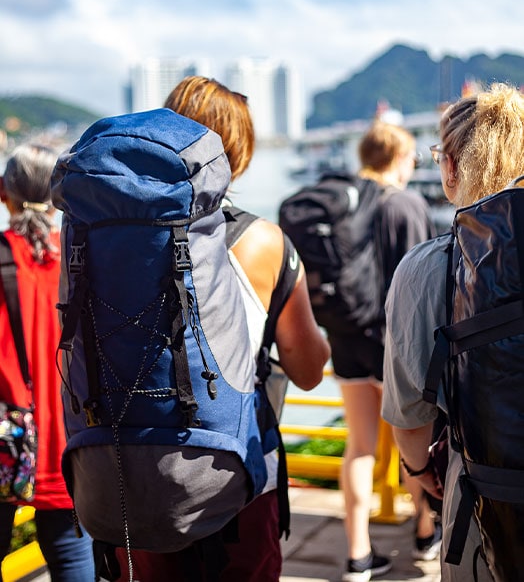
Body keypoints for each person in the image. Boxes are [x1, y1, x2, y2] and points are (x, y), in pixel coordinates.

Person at [112, 76, 331, 582]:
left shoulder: (123, 238)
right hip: (237, 475)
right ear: (239, 150)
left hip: (135, 470)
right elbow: (309, 370)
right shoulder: (264, 241)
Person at [381, 82, 524, 581]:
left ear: (452, 168)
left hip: (487, 493)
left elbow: (408, 410)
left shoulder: (426, 268)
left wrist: (420, 471)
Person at [331, 121, 437, 582]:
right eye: (413, 157)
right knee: (410, 431)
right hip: (394, 342)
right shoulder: (406, 204)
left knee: (359, 447)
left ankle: (357, 555)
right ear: (397, 157)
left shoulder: (344, 202)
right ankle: (426, 530)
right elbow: (421, 279)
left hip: (347, 337)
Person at [0, 144, 95, 581]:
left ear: (5, 194)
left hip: (7, 445)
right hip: (73, 440)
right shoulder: (84, 258)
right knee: (74, 559)